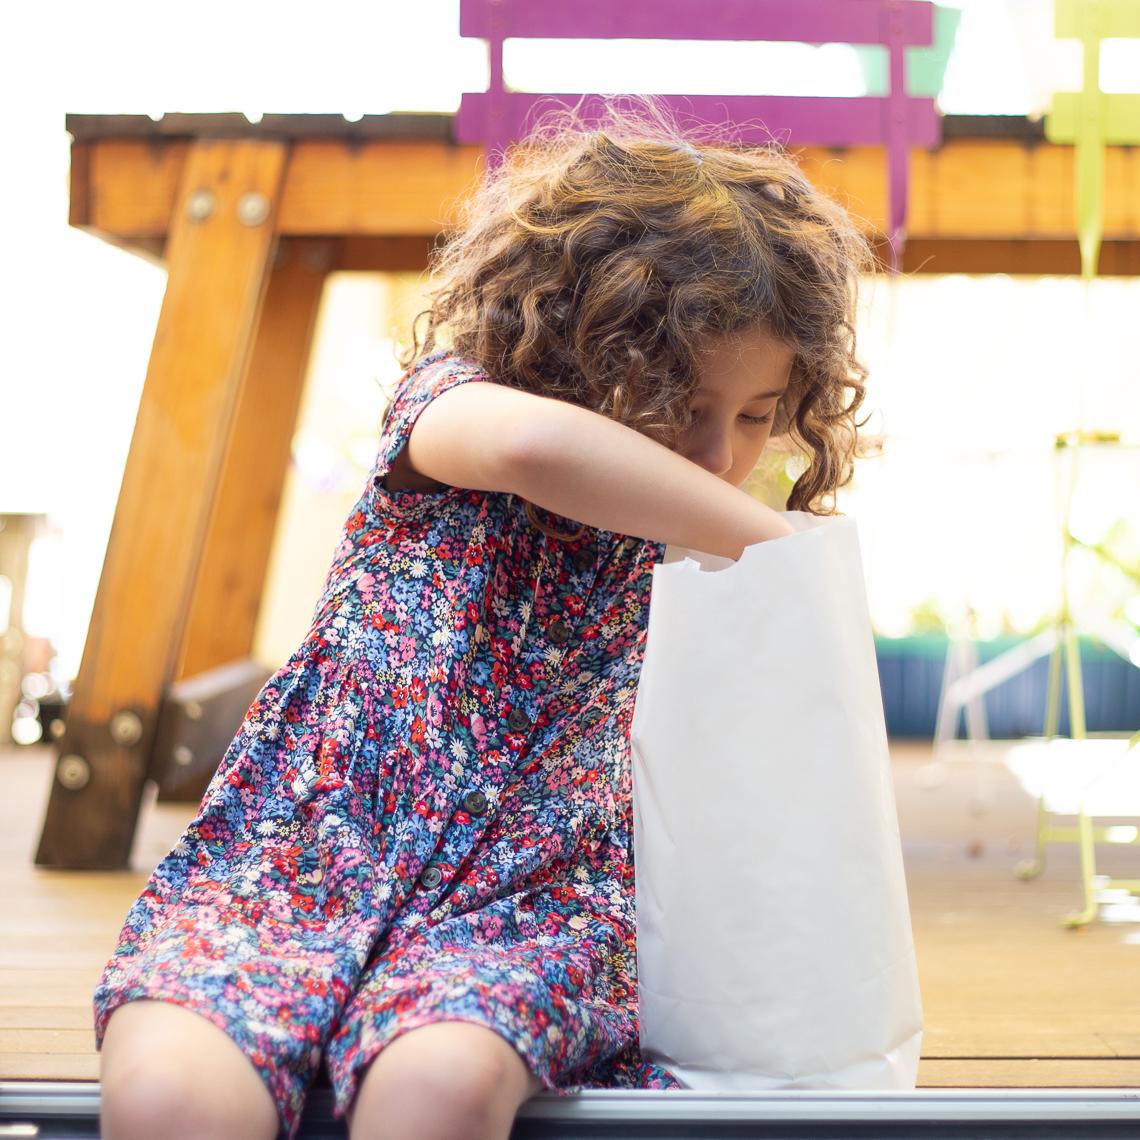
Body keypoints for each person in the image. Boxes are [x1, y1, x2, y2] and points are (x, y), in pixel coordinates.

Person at [95, 103, 871, 1140]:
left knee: (441, 1086)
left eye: (755, 412)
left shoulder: (697, 546)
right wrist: (782, 550)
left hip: (530, 897)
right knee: (171, 1090)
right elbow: (529, 452)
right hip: (303, 854)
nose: (717, 454)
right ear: (573, 342)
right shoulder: (452, 408)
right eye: (678, 398)